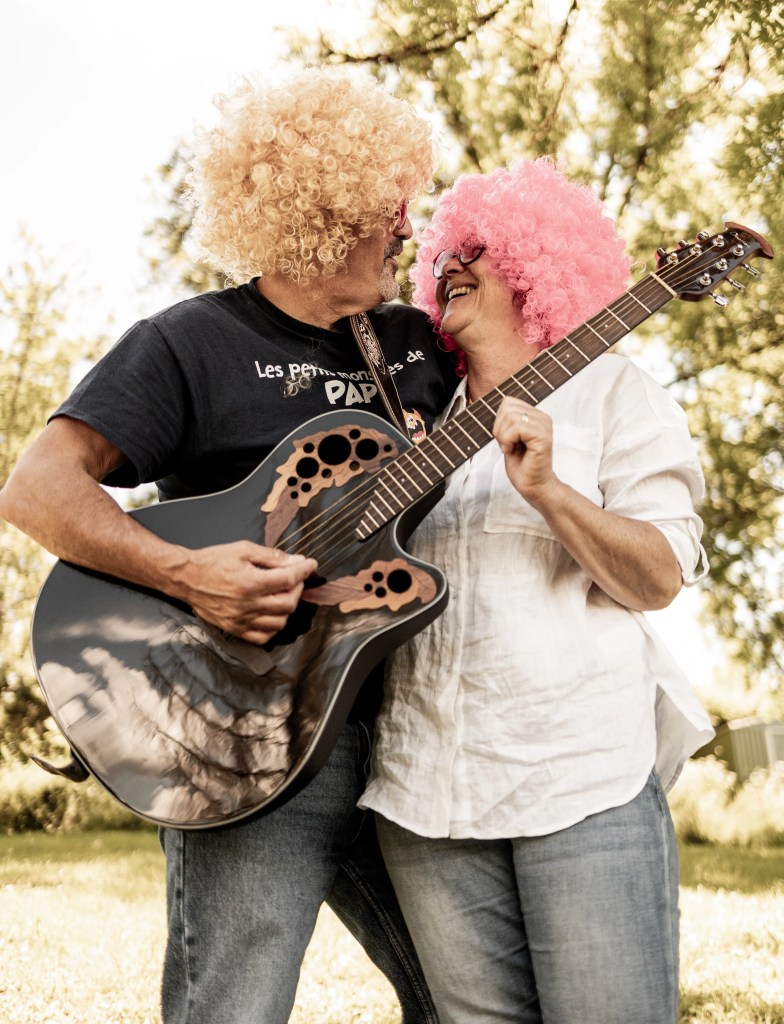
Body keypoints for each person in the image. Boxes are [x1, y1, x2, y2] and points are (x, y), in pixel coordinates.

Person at [0, 69, 456, 1023]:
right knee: (235, 1006)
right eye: (390, 209)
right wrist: (187, 573)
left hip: (424, 730)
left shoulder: (419, 345)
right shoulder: (187, 343)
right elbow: (36, 487)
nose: (408, 230)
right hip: (238, 730)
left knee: (471, 999)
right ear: (327, 212)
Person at [360, 158, 715, 1024]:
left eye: (476, 249)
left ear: (533, 265)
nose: (448, 265)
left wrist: (554, 492)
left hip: (579, 779)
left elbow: (660, 575)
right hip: (424, 797)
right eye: (445, 250)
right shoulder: (412, 420)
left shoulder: (614, 395)